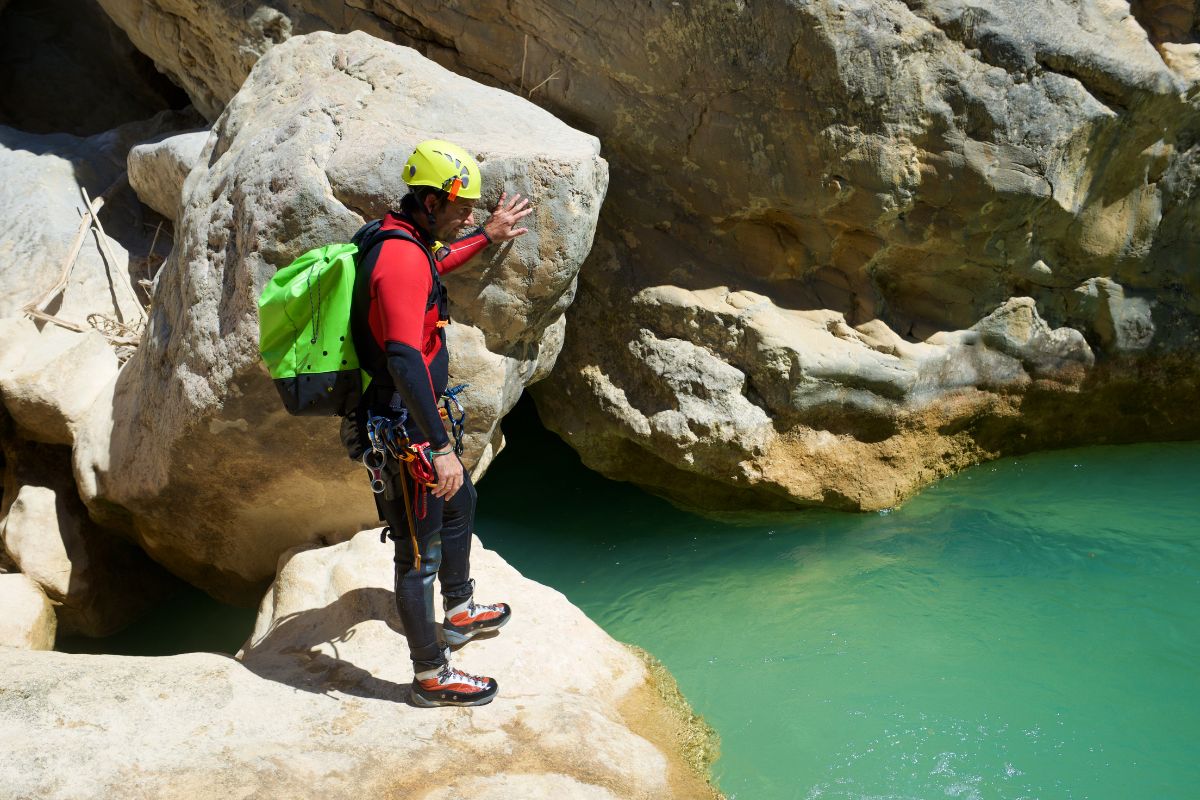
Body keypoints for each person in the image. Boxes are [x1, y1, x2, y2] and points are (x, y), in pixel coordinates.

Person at [348, 139, 532, 707]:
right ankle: (431, 676)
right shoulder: (401, 256)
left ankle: (457, 611)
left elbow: (434, 265)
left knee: (460, 503)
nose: (469, 215)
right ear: (429, 201)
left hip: (413, 417)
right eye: (462, 207)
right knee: (416, 552)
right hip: (403, 426)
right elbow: (403, 356)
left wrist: (487, 235)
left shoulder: (407, 240)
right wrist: (439, 445)